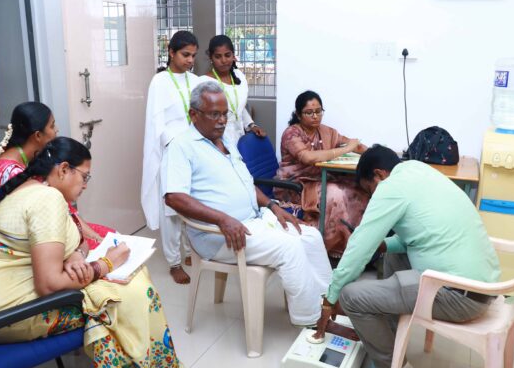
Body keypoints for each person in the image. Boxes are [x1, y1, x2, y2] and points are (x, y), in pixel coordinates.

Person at [0, 137, 183, 368]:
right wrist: (106, 264)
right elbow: (49, 284)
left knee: (114, 286)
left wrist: (75, 255)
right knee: (116, 298)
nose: (86, 184)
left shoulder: (28, 188)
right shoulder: (48, 199)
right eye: (85, 176)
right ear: (64, 169)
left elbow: (66, 240)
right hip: (2, 316)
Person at [313, 145, 501, 368]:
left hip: (459, 298)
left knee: (351, 297)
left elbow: (358, 248)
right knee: (392, 255)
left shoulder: (390, 188)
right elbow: (420, 234)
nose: (371, 196)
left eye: (370, 190)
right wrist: (382, 244)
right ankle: (389, 341)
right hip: (482, 287)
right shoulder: (418, 170)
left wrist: (331, 297)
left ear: (379, 174)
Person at [164, 82, 337, 328]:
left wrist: (273, 207)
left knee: (309, 236)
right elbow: (173, 197)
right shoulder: (181, 146)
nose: (222, 121)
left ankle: (327, 305)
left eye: (225, 114)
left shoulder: (225, 141)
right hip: (218, 235)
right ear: (194, 114)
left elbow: (246, 183)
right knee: (290, 248)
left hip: (252, 220)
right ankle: (313, 321)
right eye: (214, 114)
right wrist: (222, 219)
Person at [0, 102, 113, 250]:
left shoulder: (25, 160)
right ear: (38, 135)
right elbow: (37, 228)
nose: (57, 130)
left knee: (105, 236)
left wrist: (96, 238)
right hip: (12, 245)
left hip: (36, 230)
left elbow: (67, 213)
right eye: (52, 126)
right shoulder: (11, 173)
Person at [276, 90, 369, 258]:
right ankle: (331, 248)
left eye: (318, 111)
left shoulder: (325, 132)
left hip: (321, 179)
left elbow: (353, 144)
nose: (315, 116)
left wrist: (375, 155)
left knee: (359, 189)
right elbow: (308, 157)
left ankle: (357, 246)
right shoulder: (291, 133)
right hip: (297, 185)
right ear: (298, 114)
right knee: (336, 195)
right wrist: (345, 149)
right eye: (309, 112)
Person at [141, 30, 200, 284]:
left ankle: (189, 250)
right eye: (185, 54)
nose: (190, 60)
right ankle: (174, 261)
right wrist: (175, 143)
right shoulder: (160, 81)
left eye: (193, 56)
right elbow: (157, 122)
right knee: (172, 208)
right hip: (171, 150)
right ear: (171, 52)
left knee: (193, 203)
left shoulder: (195, 80)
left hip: (194, 150)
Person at [200, 34, 267, 145]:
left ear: (233, 55)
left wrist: (251, 125)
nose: (223, 60)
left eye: (227, 55)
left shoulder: (239, 75)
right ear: (211, 58)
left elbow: (238, 109)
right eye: (218, 56)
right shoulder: (204, 82)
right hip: (216, 140)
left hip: (239, 138)